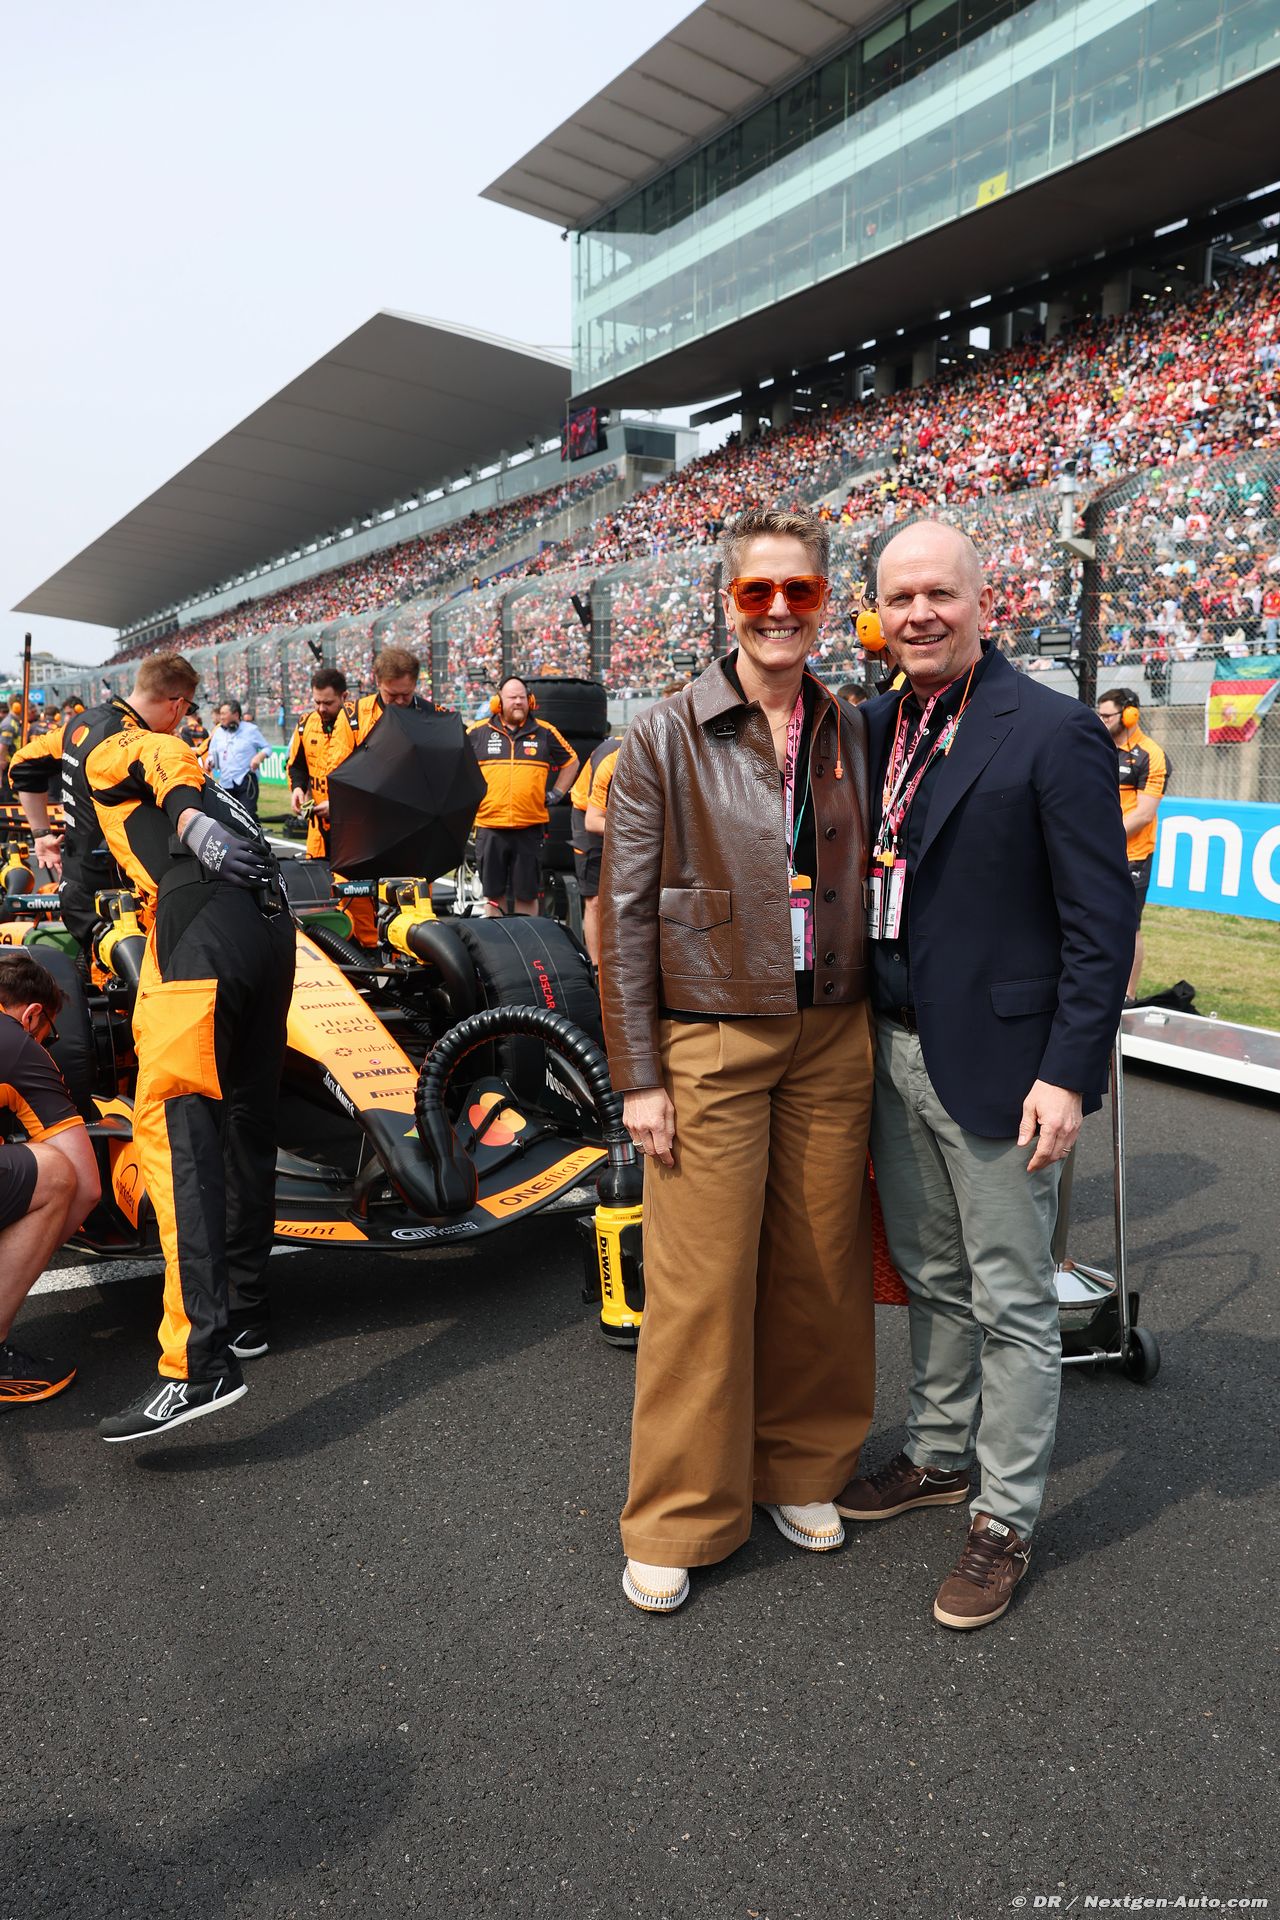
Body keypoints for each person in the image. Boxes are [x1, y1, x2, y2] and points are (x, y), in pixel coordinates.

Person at [838, 521, 1133, 1631]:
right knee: (930, 1274)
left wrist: (1066, 1072)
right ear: (877, 614)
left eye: (938, 594)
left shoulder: (1053, 729)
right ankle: (936, 1452)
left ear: (980, 601)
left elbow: (1101, 925)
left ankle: (1003, 1519)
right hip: (890, 1045)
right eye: (899, 598)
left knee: (1012, 1302)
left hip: (1007, 1069)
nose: (918, 614)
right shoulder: (872, 725)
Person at [599, 505, 874, 1615]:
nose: (777, 611)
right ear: (728, 603)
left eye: (799, 591)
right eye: (758, 591)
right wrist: (639, 1075)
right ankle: (678, 1514)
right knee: (700, 1284)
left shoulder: (848, 724)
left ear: (824, 603)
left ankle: (800, 1468)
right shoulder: (664, 732)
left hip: (832, 1029)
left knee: (819, 1268)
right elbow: (622, 914)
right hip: (709, 1033)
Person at [80, 653, 294, 1442]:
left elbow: (153, 756)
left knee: (175, 1134)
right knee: (247, 1121)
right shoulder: (210, 775)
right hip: (271, 927)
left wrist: (187, 820)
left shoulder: (116, 741)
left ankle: (197, 1362)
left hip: (200, 919)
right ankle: (244, 1312)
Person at [0, 951, 100, 1402]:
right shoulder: (18, 1042)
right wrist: (22, 1251)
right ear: (33, 1014)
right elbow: (88, 1186)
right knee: (57, 1173)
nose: (47, 1042)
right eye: (49, 1034)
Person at [9, 701, 127, 959]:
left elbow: (21, 764)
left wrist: (41, 834)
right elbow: (22, 765)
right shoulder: (123, 734)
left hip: (87, 882)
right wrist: (41, 835)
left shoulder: (74, 727)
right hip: (102, 884)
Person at [467, 678, 578, 917]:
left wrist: (557, 793)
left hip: (530, 827)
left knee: (527, 895)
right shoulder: (477, 732)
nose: (518, 702)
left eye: (522, 697)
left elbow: (571, 762)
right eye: (512, 697)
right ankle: (496, 940)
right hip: (490, 826)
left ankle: (527, 940)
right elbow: (456, 764)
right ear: (498, 702)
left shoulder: (545, 732)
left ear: (530, 701)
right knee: (493, 896)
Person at [1095, 688, 1170, 998]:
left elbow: (1144, 814)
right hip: (1095, 850)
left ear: (1130, 715)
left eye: (1107, 715)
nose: (1101, 720)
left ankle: (1127, 996)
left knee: (1128, 928)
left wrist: (1097, 838)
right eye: (1099, 714)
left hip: (1132, 856)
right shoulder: (1095, 746)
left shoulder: (1151, 754)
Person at [287, 667, 359, 859]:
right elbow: (297, 766)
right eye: (317, 702)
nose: (321, 709)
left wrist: (338, 805)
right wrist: (298, 788)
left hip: (353, 828)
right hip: (317, 830)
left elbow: (370, 779)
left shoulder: (359, 726)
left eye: (328, 703)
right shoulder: (306, 724)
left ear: (344, 696)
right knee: (317, 876)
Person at [569, 734, 621, 965]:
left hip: (625, 815)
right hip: (589, 815)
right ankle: (597, 966)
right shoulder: (609, 761)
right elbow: (593, 821)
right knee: (596, 899)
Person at [353, 647, 436, 745]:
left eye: (406, 694)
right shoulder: (353, 717)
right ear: (378, 681)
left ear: (414, 684)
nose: (400, 701)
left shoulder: (436, 716)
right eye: (392, 695)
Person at [207, 700, 271, 815]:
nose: (221, 717)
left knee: (248, 816)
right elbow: (211, 753)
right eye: (220, 714)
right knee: (227, 818)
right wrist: (210, 761)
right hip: (225, 782)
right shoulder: (218, 732)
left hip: (246, 780)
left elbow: (267, 748)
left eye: (224, 713)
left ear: (236, 714)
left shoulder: (251, 730)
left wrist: (259, 757)